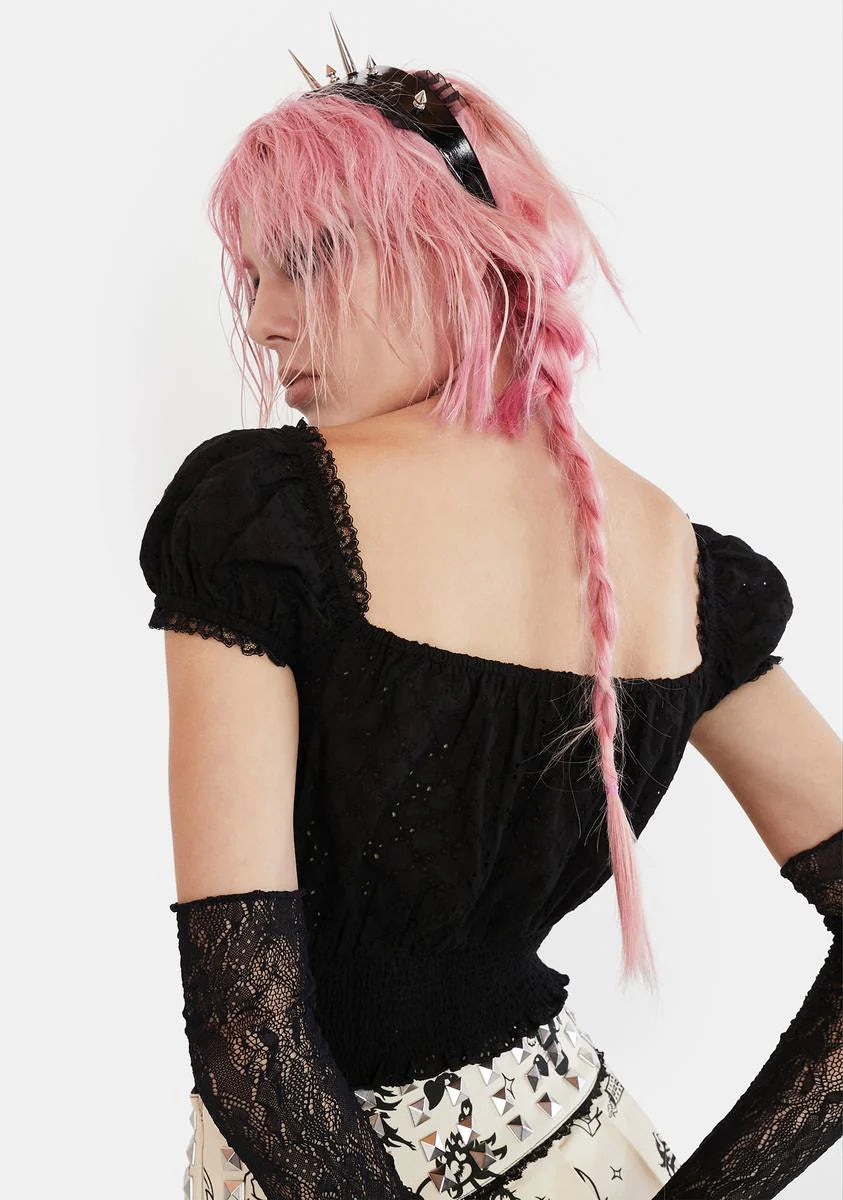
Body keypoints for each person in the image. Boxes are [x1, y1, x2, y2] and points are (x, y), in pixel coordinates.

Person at [139, 21, 842, 1200]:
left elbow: (252, 1042)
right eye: (255, 277)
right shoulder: (677, 561)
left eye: (304, 262)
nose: (262, 322)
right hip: (587, 1152)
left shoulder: (265, 518)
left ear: (451, 251)